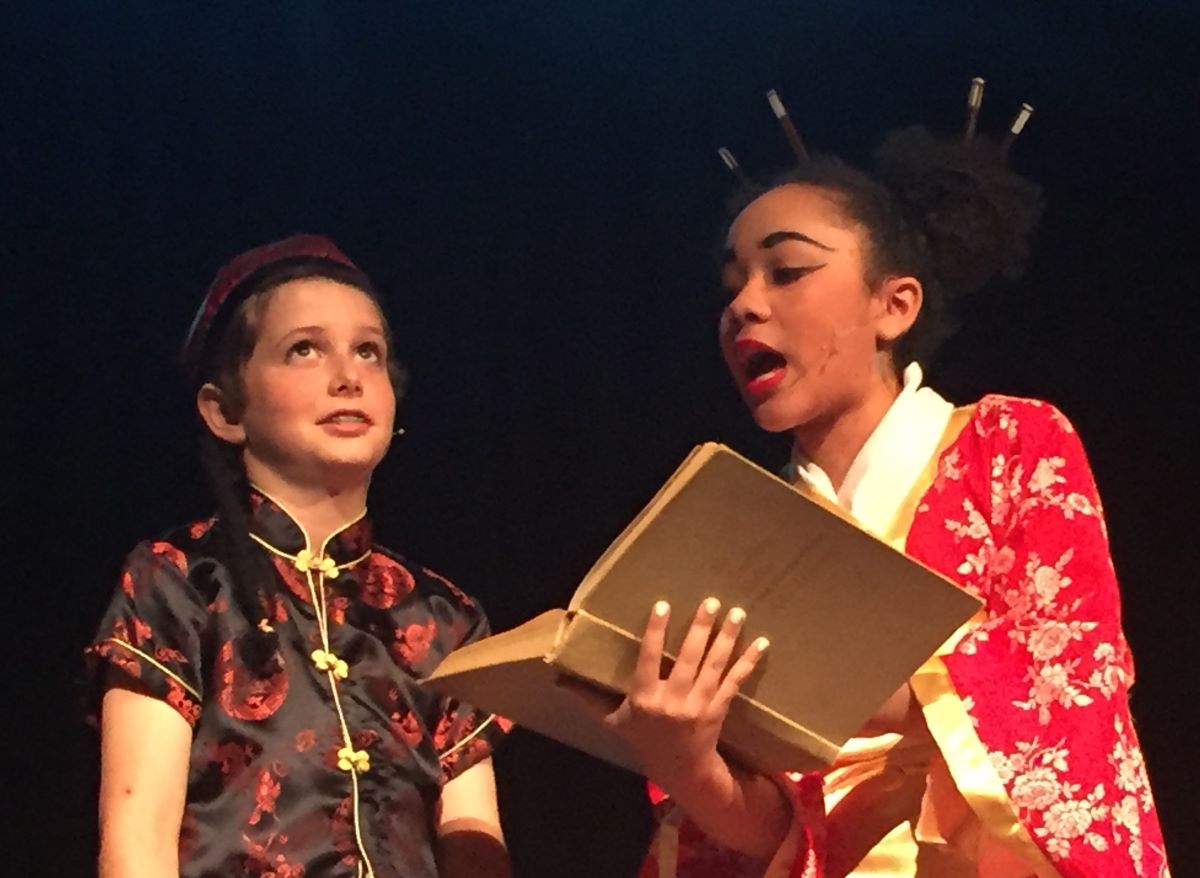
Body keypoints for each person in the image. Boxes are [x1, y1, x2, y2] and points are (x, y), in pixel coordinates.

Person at [593, 126, 1171, 876]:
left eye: (786, 271)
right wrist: (689, 757)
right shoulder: (744, 532)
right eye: (732, 285)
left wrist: (832, 688)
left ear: (894, 306)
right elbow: (767, 832)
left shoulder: (1008, 443)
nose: (744, 305)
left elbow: (1070, 675)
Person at [86, 235, 510, 878]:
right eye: (304, 349)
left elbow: (474, 838)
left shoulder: (444, 617)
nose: (348, 376)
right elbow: (136, 837)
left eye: (368, 351)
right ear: (225, 411)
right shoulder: (179, 579)